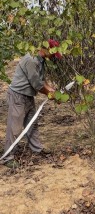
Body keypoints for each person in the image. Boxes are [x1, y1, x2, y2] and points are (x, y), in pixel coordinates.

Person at [1, 39, 62, 168]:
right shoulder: (32, 60)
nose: (53, 57)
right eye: (53, 53)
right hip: (18, 96)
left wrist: (52, 90)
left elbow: (41, 80)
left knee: (32, 124)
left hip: (28, 96)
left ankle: (37, 149)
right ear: (47, 49)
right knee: (15, 128)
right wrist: (51, 94)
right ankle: (7, 157)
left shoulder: (41, 60)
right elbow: (37, 84)